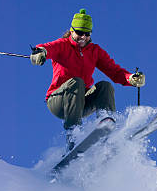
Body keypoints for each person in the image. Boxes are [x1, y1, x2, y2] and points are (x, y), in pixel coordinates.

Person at [30, 8, 145, 150]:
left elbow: (114, 71)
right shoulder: (63, 45)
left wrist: (130, 79)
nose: (83, 37)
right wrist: (40, 52)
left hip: (81, 102)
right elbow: (47, 48)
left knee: (105, 86)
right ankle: (74, 137)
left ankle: (107, 127)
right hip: (59, 101)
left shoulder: (94, 51)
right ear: (71, 31)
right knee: (77, 82)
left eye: (87, 34)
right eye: (79, 33)